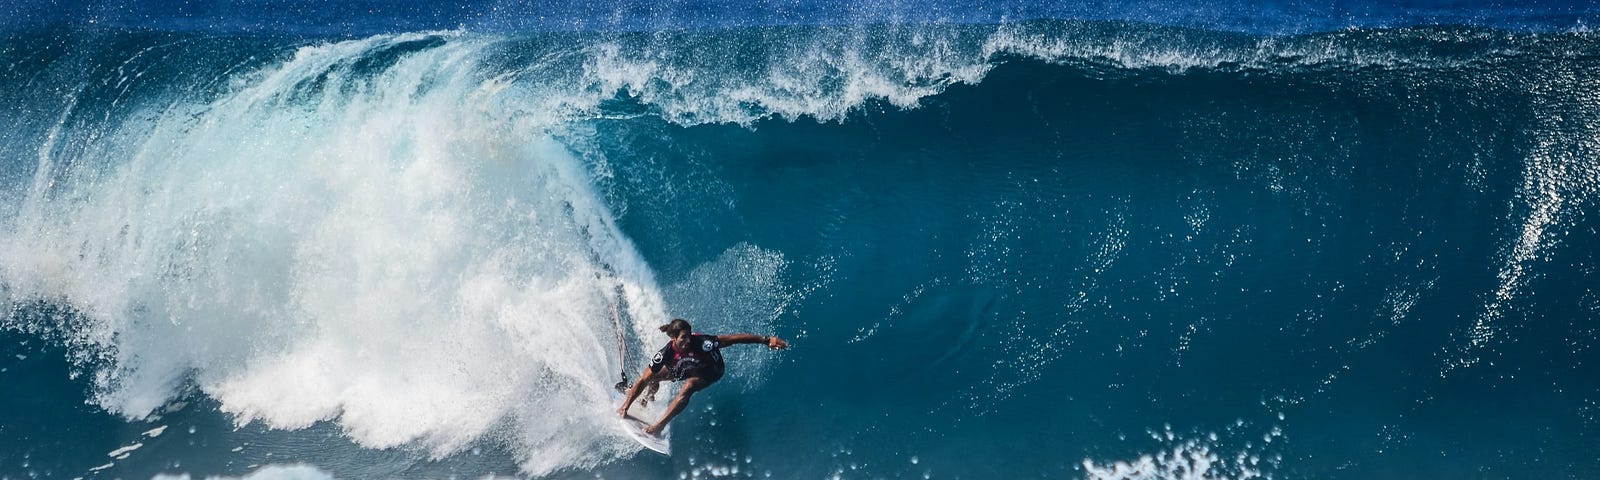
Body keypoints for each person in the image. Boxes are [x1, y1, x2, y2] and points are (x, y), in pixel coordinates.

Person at [616, 318, 788, 435]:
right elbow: (643, 379)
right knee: (652, 377)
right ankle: (646, 398)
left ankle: (659, 426)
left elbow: (733, 339)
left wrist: (766, 340)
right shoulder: (665, 354)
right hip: (685, 367)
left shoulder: (703, 343)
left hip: (711, 370)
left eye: (689, 336)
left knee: (688, 387)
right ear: (673, 338)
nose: (688, 340)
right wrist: (626, 406)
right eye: (683, 338)